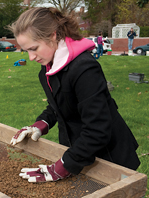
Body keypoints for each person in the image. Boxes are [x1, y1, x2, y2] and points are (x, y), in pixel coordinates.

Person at [9, 7, 140, 183]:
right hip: (78, 155)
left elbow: (98, 129)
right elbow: (59, 104)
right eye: (26, 51)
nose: (31, 57)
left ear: (53, 35)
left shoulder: (84, 68)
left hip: (110, 158)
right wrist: (40, 124)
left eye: (34, 48)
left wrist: (62, 166)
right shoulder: (47, 67)